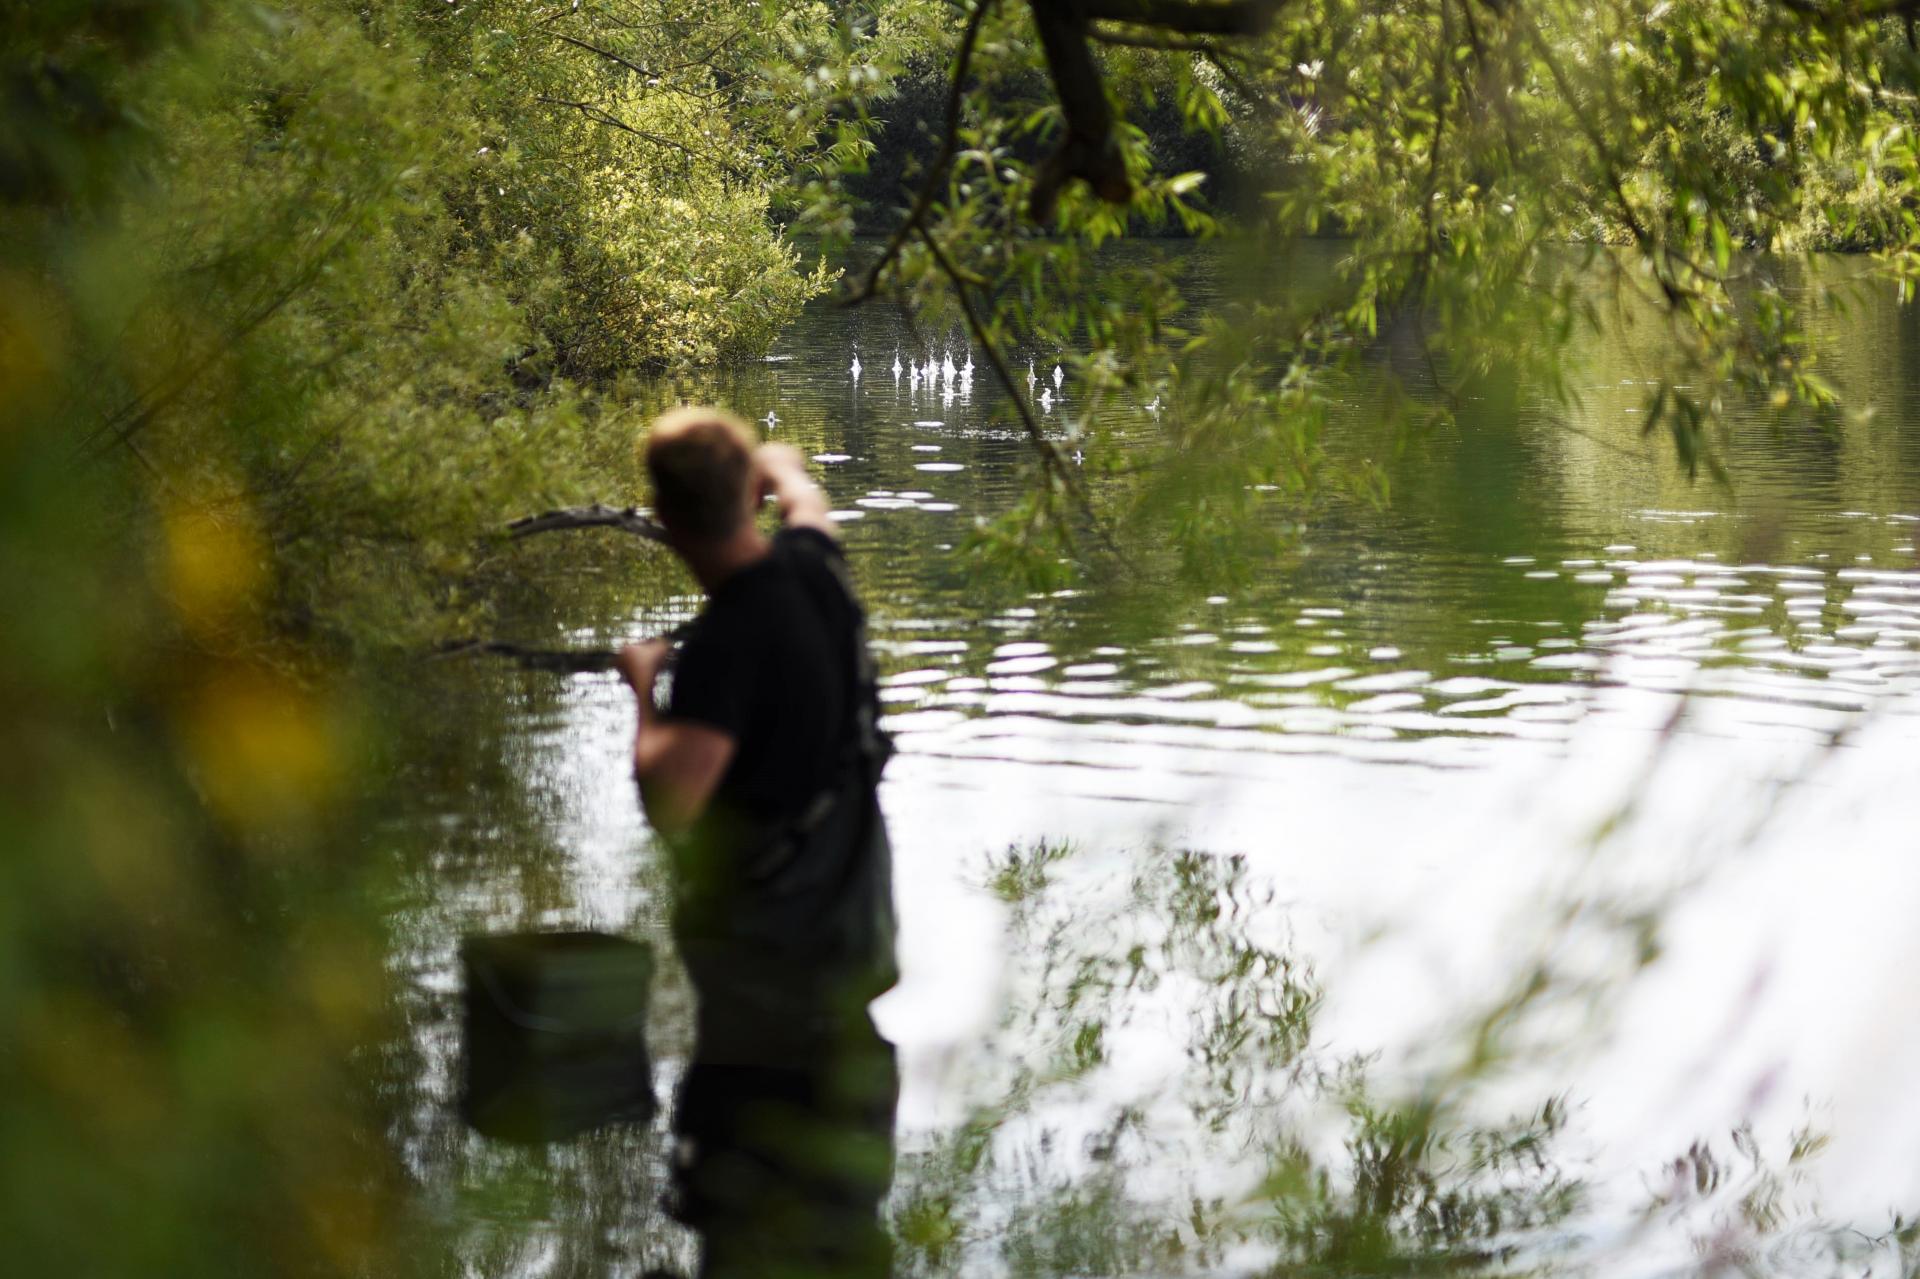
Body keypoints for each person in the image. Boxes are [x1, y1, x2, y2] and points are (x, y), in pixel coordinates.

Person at [613, 405, 897, 1279]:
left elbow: (674, 800)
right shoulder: (817, 572)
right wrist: (787, 470)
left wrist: (644, 690)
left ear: (663, 519)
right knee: (842, 1231)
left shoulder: (727, 643)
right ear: (750, 495)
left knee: (750, 1234)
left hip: (766, 994)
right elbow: (810, 506)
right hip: (852, 955)